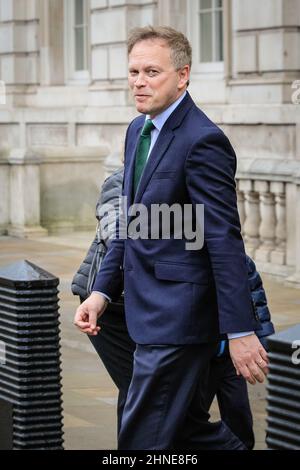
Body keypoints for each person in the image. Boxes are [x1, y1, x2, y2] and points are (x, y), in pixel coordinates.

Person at [74, 26, 269, 450]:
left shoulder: (204, 141)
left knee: (140, 441)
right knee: (186, 434)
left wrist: (239, 331)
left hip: (180, 319)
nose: (139, 81)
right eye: (133, 72)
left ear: (183, 75)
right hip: (141, 315)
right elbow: (130, 222)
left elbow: (223, 239)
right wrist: (102, 292)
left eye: (151, 72)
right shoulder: (136, 131)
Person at [72, 168, 274, 449]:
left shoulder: (191, 183)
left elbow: (231, 259)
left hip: (168, 308)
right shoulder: (119, 182)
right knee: (148, 400)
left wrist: (249, 333)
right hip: (113, 312)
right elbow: (117, 234)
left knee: (157, 403)